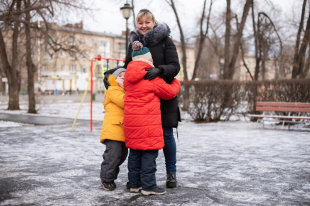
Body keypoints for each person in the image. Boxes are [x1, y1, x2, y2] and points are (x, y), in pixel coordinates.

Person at [124, 9, 180, 188]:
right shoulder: (134, 42)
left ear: (154, 23)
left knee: (166, 135)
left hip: (163, 95)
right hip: (143, 100)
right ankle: (139, 178)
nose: (144, 26)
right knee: (141, 138)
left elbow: (175, 66)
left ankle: (171, 173)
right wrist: (113, 74)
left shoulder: (165, 41)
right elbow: (127, 67)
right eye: (140, 22)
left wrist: (159, 70)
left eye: (147, 22)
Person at [99, 68, 128, 191]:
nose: (123, 78)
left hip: (122, 130)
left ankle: (110, 176)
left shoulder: (124, 90)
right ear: (114, 79)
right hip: (113, 130)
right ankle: (107, 179)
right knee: (112, 156)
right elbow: (124, 101)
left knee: (121, 156)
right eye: (120, 76)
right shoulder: (113, 90)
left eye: (125, 76)